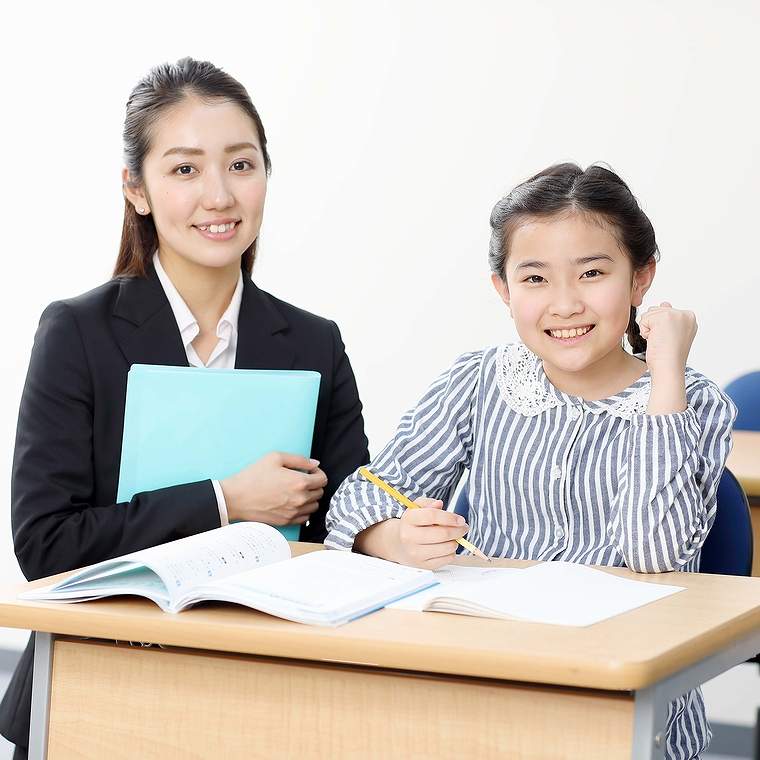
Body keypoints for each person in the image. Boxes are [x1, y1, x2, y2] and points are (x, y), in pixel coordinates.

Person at [1, 57, 369, 758]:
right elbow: (45, 544)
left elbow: (347, 522)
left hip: (267, 691)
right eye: (184, 169)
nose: (220, 195)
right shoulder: (77, 332)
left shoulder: (314, 343)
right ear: (135, 190)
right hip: (96, 687)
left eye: (241, 164)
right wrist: (225, 500)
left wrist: (384, 527)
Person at [326, 163, 735, 759]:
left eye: (593, 273)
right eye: (535, 278)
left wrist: (665, 371)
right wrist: (390, 538)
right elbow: (361, 495)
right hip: (488, 683)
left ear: (640, 280)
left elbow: (657, 553)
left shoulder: (692, 403)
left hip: (625, 708)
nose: (565, 304)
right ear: (503, 289)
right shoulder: (479, 382)